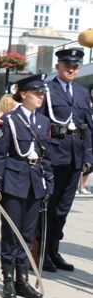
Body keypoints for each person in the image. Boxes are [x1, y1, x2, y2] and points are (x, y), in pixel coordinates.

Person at [0, 73, 52, 298]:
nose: (40, 98)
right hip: (14, 183)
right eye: (36, 93)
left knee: (27, 234)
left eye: (42, 94)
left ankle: (22, 280)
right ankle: (7, 280)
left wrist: (49, 183)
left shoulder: (44, 122)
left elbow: (47, 156)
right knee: (11, 233)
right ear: (23, 94)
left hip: (36, 183)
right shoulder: (9, 120)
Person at [36, 48, 93, 272]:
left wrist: (89, 156)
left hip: (75, 156)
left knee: (63, 208)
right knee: (48, 206)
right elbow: (38, 122)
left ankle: (53, 249)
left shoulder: (80, 92)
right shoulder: (46, 90)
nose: (71, 69)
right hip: (52, 154)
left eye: (75, 66)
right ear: (58, 66)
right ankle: (39, 251)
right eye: (67, 65)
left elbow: (88, 126)